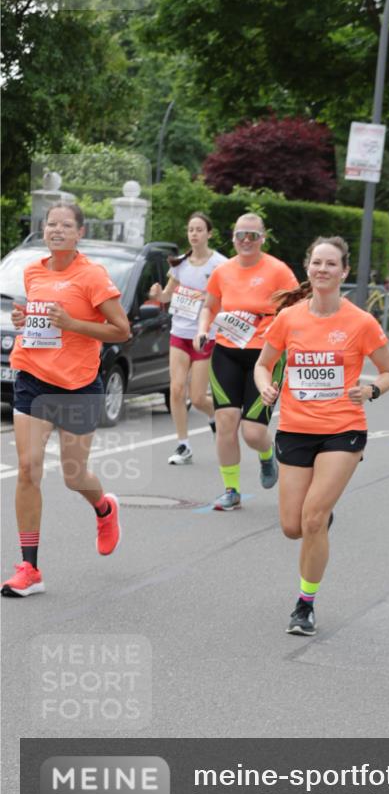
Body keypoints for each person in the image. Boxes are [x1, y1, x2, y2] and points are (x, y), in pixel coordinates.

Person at [254, 236, 389, 635]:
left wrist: (371, 390)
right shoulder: (290, 318)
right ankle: (320, 513)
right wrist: (266, 385)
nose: (322, 270)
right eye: (317, 262)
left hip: (343, 430)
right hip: (296, 429)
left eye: (331, 264)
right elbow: (263, 364)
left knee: (313, 520)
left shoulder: (360, 322)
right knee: (292, 526)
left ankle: (305, 604)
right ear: (308, 267)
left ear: (344, 272)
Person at [2, 203, 130, 598]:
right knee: (27, 469)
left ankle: (104, 508)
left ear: (79, 232)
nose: (56, 230)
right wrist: (26, 321)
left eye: (65, 225)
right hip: (32, 378)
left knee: (75, 475)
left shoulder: (92, 276)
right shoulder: (34, 270)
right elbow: (40, 317)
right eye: (50, 224)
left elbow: (120, 330)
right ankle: (30, 568)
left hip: (76, 384)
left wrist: (74, 324)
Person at [194, 213, 298, 510]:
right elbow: (209, 306)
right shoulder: (222, 271)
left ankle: (267, 456)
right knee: (226, 422)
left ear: (263, 238)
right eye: (241, 235)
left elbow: (296, 308)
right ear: (233, 238)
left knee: (252, 432)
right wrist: (203, 329)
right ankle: (231, 490)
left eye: (253, 235)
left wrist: (280, 330)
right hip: (227, 351)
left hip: (265, 357)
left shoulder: (278, 271)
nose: (247, 241)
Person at [148, 213, 226, 464]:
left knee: (198, 396)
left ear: (209, 234)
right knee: (177, 389)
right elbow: (166, 297)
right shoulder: (179, 263)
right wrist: (158, 294)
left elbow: (228, 298)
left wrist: (206, 301)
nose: (194, 234)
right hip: (179, 333)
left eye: (199, 229)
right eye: (191, 229)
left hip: (204, 335)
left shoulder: (219, 264)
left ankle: (218, 418)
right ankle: (183, 445)